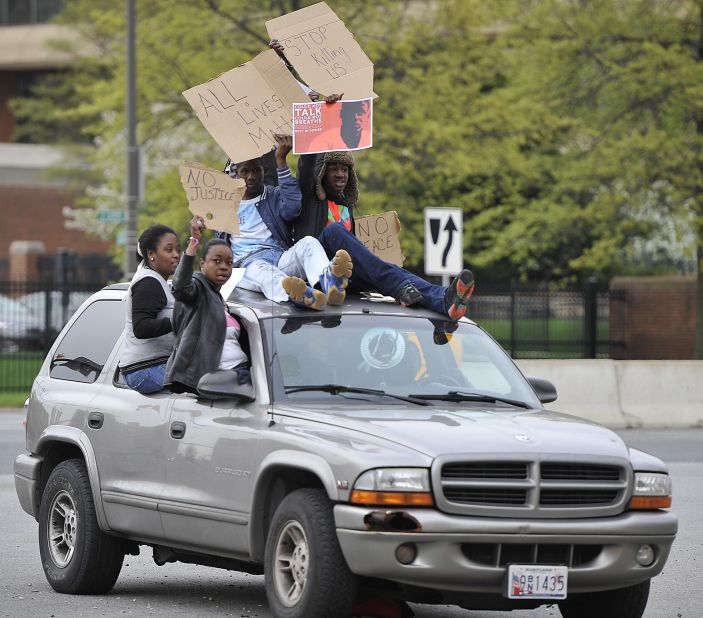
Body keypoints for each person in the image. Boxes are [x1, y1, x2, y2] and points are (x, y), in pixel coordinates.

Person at [296, 145, 475, 321]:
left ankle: (442, 300)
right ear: (321, 173)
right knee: (334, 231)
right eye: (333, 169)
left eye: (344, 169)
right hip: (319, 274)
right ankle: (399, 286)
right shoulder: (311, 197)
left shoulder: (346, 205)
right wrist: (314, 135)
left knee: (387, 268)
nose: (340, 174)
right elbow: (307, 166)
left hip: (344, 279)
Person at [216, 133, 353, 311]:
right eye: (245, 171)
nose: (251, 176)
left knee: (309, 243)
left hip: (280, 257)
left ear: (264, 171)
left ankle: (328, 284)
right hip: (248, 266)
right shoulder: (226, 205)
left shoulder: (272, 194)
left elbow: (293, 208)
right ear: (237, 173)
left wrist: (281, 160)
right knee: (266, 274)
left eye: (256, 170)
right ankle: (300, 295)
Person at [164, 233, 251, 394]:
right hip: (221, 381)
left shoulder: (220, 300)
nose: (224, 267)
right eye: (216, 261)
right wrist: (194, 242)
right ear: (202, 264)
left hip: (243, 372)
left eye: (229, 263)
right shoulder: (198, 288)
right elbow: (181, 287)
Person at [119, 224, 183, 394]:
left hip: (157, 364)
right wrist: (178, 321)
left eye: (178, 249)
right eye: (169, 250)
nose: (176, 255)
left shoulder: (159, 281)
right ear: (151, 254)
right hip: (143, 370)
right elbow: (141, 328)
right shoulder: (149, 283)